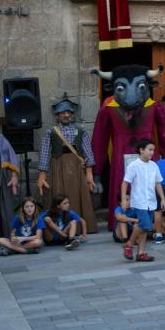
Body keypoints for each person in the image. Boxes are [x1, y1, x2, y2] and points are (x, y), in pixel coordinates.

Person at [91, 65, 165, 232]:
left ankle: (151, 223)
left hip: (148, 154)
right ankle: (122, 223)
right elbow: (99, 140)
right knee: (123, 186)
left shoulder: (154, 107)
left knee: (148, 186)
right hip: (120, 155)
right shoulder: (108, 109)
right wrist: (96, 172)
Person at [37, 94, 96, 234]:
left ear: (72, 114)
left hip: (76, 168)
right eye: (63, 112)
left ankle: (78, 227)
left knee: (77, 195)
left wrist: (89, 174)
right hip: (58, 167)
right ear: (57, 115)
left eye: (68, 112)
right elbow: (45, 153)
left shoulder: (81, 132)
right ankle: (60, 227)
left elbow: (88, 153)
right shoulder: (50, 132)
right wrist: (42, 176)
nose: (66, 115)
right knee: (59, 194)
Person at [121, 139, 165, 263]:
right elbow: (125, 183)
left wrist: (162, 198)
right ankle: (129, 244)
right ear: (141, 150)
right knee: (146, 225)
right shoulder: (133, 165)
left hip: (151, 201)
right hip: (139, 201)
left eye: (153, 150)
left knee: (145, 229)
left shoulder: (154, 165)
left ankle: (141, 253)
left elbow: (158, 183)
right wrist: (124, 199)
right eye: (149, 149)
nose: (152, 152)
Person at [0, 118, 21, 237]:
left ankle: (8, 237)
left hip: (2, 177)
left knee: (5, 208)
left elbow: (10, 154)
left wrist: (14, 176)